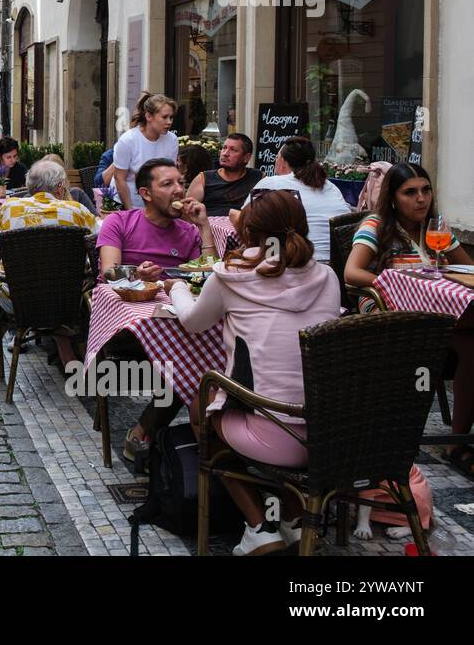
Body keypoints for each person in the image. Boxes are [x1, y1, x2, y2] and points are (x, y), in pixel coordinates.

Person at [170, 189, 339, 555]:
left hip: (271, 436)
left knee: (203, 407)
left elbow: (192, 322)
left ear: (247, 232)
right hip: (330, 434)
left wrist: (178, 287)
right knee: (272, 396)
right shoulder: (327, 277)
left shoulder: (231, 277)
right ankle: (294, 517)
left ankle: (260, 525)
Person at [345, 163, 474, 476]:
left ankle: (457, 439)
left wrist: (441, 274)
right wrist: (398, 284)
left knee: (472, 343)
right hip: (389, 311)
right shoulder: (376, 225)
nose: (421, 199)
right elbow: (351, 273)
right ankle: (454, 443)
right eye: (410, 192)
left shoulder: (436, 228)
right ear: (393, 197)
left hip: (437, 312)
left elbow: (467, 269)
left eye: (426, 190)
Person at [98, 158, 217, 461]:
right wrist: (137, 274)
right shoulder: (120, 222)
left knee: (201, 356)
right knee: (193, 361)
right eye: (168, 184)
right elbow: (109, 273)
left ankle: (149, 433)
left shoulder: (188, 231)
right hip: (130, 327)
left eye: (180, 182)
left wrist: (203, 226)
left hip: (177, 323)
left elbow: (209, 277)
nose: (179, 190)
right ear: (146, 193)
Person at [0, 160, 100, 377]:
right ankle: (68, 356)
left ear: (30, 186)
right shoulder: (77, 211)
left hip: (19, 300)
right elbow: (96, 247)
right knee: (58, 285)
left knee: (3, 288)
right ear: (60, 188)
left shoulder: (10, 209)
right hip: (67, 300)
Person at [231, 137, 350, 261]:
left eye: (276, 158)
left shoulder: (272, 183)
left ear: (282, 161)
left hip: (299, 262)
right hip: (340, 264)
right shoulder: (331, 187)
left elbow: (244, 219)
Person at [111, 91, 179, 210]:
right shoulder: (128, 140)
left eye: (171, 117)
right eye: (164, 117)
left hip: (156, 205)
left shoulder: (172, 140)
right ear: (148, 116)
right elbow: (119, 178)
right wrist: (129, 211)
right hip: (125, 202)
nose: (169, 122)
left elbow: (169, 174)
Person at [187, 132, 261, 217]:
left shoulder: (257, 177)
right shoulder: (203, 179)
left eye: (233, 150)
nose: (225, 153)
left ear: (246, 157)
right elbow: (188, 212)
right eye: (224, 148)